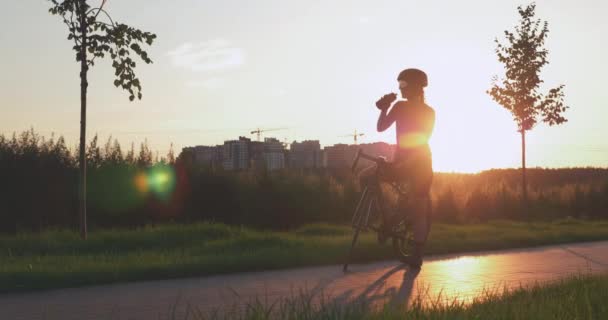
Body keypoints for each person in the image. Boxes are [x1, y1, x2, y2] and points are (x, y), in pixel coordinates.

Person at [359, 68, 435, 268]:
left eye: (403, 85)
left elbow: (381, 127)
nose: (400, 89)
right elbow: (423, 139)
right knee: (419, 211)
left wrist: (384, 108)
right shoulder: (430, 112)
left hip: (405, 164)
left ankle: (385, 218)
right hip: (424, 165)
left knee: (365, 176)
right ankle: (416, 256)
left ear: (415, 87)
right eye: (399, 85)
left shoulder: (401, 107)